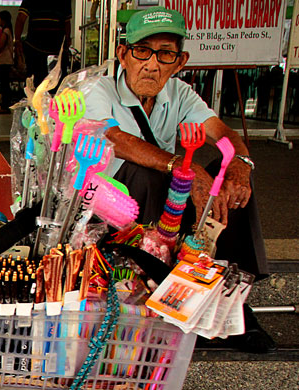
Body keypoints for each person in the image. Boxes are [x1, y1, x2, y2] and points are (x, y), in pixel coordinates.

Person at [83, 6, 273, 352]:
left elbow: (221, 132)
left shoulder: (180, 94)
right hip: (113, 212)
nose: (152, 64)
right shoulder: (99, 90)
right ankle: (169, 300)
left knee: (226, 177)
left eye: (165, 53)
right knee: (148, 170)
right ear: (124, 55)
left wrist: (240, 163)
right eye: (142, 51)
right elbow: (116, 140)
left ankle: (230, 299)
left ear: (179, 61)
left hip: (170, 204)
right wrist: (185, 169)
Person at [14, 0, 72, 86]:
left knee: (40, 86)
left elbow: (21, 18)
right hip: (43, 48)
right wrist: (17, 41)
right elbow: (67, 23)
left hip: (46, 49)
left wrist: (18, 41)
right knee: (51, 85)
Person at [0, 10, 14, 115]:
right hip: (6, 61)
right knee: (5, 84)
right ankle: (5, 105)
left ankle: (5, 106)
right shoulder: (7, 31)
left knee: (4, 84)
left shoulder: (6, 31)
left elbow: (0, 45)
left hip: (5, 61)